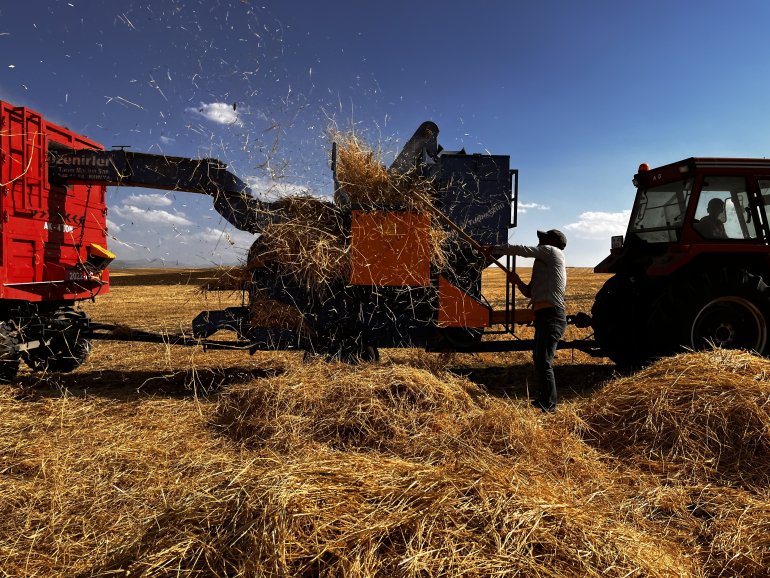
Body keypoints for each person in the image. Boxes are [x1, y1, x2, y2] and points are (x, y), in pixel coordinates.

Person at [492, 229, 567, 412]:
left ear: (552, 242)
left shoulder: (552, 252)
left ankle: (550, 406)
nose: (541, 242)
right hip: (543, 317)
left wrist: (495, 249)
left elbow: (523, 250)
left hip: (552, 316)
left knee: (544, 361)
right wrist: (517, 281)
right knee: (539, 359)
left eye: (544, 239)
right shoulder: (543, 265)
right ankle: (543, 399)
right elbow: (529, 292)